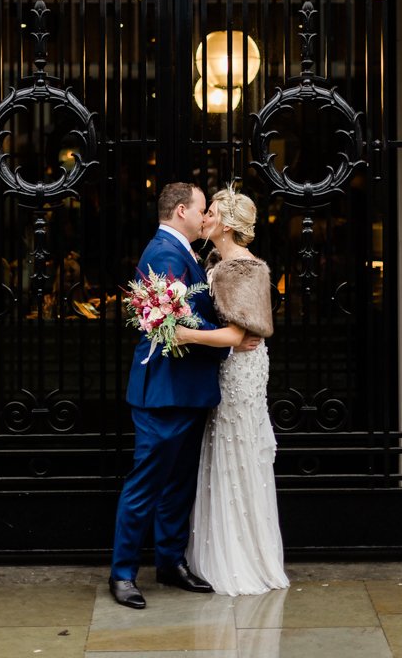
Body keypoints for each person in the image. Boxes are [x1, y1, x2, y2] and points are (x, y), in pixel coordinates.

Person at [109, 182, 260, 609]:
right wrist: (229, 337)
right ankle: (122, 575)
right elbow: (172, 323)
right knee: (145, 485)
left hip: (189, 390)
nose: (205, 216)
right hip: (163, 393)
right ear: (180, 212)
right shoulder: (163, 253)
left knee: (178, 484)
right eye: (200, 209)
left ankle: (170, 563)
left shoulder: (185, 253)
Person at [175, 187, 289, 596]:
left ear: (225, 224)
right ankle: (222, 549)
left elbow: (239, 334)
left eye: (211, 213)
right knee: (223, 449)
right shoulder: (217, 262)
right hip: (228, 366)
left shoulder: (242, 268)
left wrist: (183, 332)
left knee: (237, 450)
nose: (204, 218)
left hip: (241, 371)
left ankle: (242, 557)